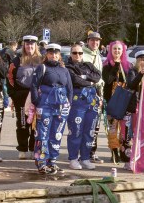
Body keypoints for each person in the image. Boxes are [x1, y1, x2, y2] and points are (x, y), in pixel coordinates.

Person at [32, 43, 72, 175]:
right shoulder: (42, 67)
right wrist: (37, 101)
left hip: (61, 107)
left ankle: (52, 161)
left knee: (57, 134)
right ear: (47, 54)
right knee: (43, 134)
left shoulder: (64, 70)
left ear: (59, 55)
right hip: (45, 105)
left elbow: (69, 89)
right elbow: (33, 85)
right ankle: (42, 162)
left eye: (56, 53)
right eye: (50, 53)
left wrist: (69, 103)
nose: (53, 55)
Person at [66, 42, 101, 170]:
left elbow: (97, 76)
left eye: (80, 53)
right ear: (71, 54)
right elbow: (75, 80)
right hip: (77, 101)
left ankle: (85, 158)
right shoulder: (68, 67)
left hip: (91, 101)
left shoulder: (88, 65)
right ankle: (73, 158)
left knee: (89, 131)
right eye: (75, 53)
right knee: (76, 131)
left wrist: (86, 77)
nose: (78, 55)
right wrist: (89, 81)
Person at [8, 34, 42, 160]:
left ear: (35, 45)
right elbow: (10, 78)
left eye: (32, 44)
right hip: (21, 95)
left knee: (35, 124)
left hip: (36, 96)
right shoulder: (17, 60)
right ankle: (22, 148)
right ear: (24, 46)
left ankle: (34, 148)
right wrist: (13, 94)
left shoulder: (41, 59)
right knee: (22, 123)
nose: (29, 46)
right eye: (27, 44)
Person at [102, 40, 133, 164]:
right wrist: (116, 66)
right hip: (111, 101)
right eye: (114, 49)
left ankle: (124, 151)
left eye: (119, 49)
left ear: (123, 51)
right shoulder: (107, 65)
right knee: (113, 129)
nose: (117, 51)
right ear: (110, 50)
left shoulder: (128, 66)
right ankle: (114, 153)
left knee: (125, 129)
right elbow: (108, 80)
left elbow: (131, 83)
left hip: (124, 101)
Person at [82, 31, 104, 163]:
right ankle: (83, 152)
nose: (95, 43)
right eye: (92, 40)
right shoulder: (84, 55)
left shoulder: (98, 56)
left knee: (95, 125)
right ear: (88, 41)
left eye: (97, 41)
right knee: (85, 125)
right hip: (87, 92)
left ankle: (92, 152)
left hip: (98, 92)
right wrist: (98, 81)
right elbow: (90, 75)